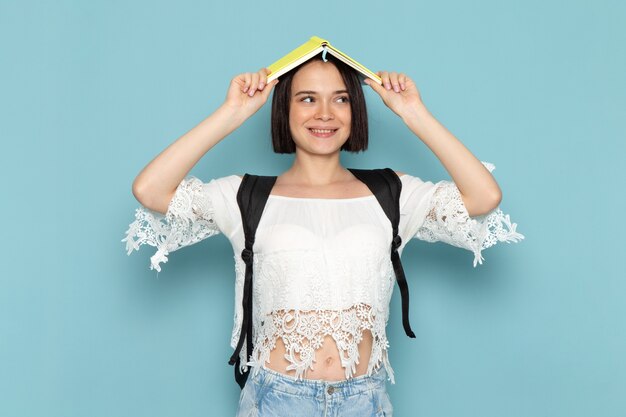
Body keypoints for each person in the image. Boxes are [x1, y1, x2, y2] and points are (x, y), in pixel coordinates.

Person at [122, 53, 524, 417]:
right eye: (307, 98)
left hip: (364, 401)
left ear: (356, 109)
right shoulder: (244, 196)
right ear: (285, 108)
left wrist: (413, 112)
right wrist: (232, 112)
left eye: (341, 98)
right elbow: (151, 190)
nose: (325, 113)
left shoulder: (391, 193)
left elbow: (483, 195)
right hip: (276, 400)